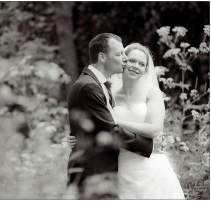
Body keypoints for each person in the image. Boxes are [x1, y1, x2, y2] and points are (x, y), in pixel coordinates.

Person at [68, 42, 185, 199]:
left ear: (145, 70)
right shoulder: (109, 93)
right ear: (123, 61)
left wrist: (115, 122)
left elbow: (155, 129)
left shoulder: (153, 93)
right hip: (120, 163)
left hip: (151, 162)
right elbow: (96, 121)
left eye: (141, 64)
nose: (136, 66)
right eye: (131, 60)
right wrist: (76, 136)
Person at [67, 33, 153, 198]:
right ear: (102, 57)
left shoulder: (98, 84)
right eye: (119, 54)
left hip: (105, 170)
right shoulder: (89, 87)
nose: (125, 59)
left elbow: (95, 125)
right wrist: (150, 145)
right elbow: (111, 130)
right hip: (93, 170)